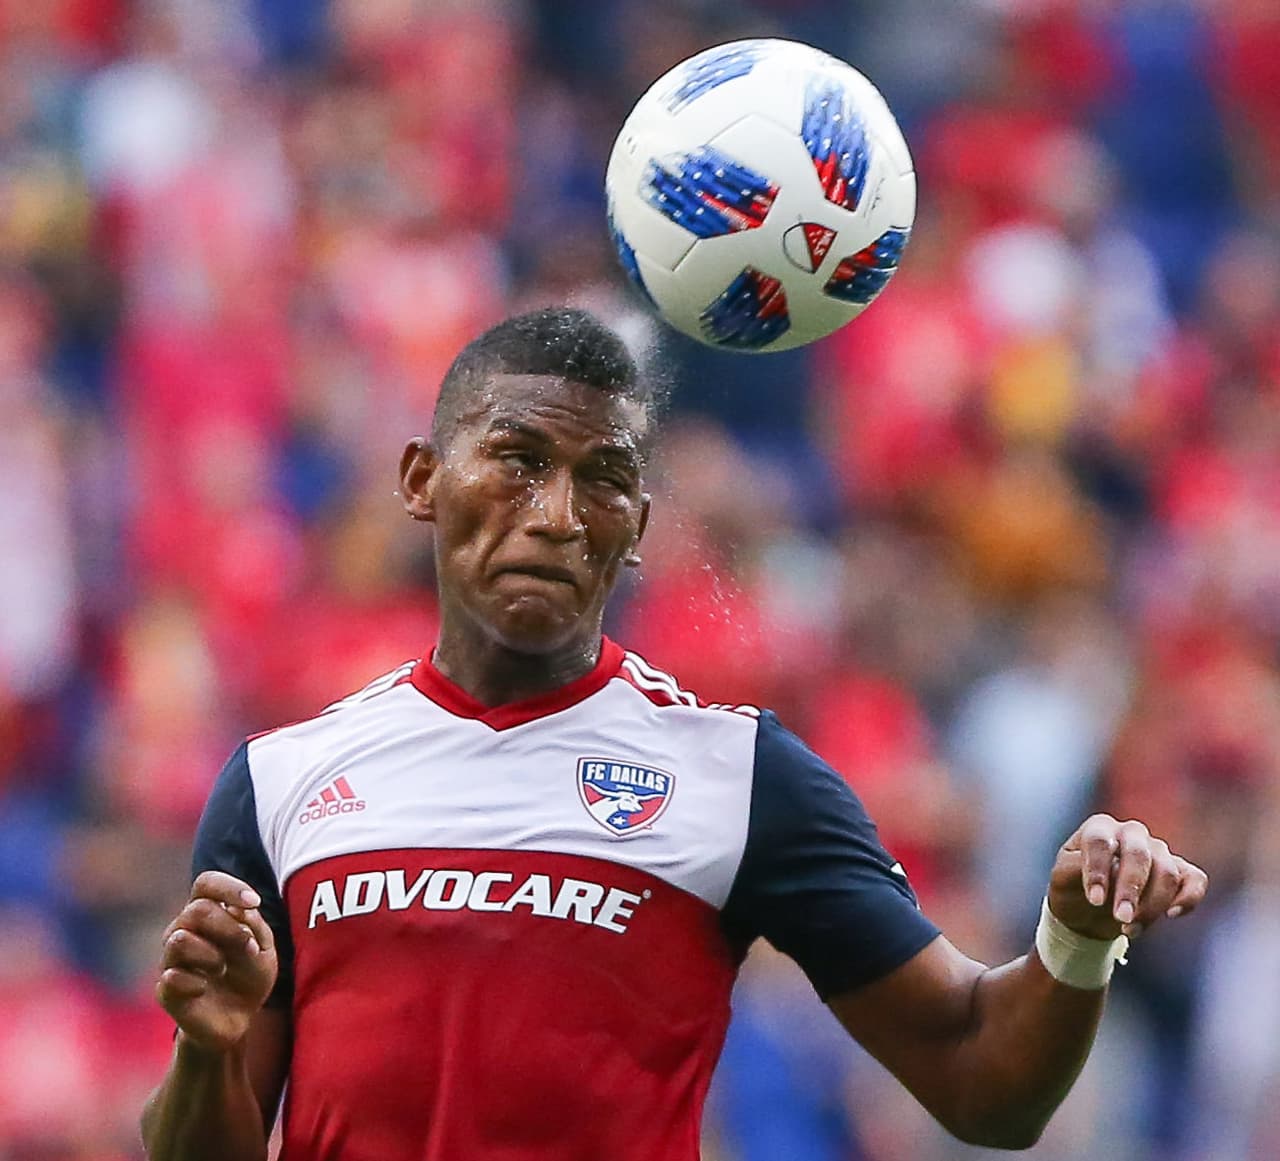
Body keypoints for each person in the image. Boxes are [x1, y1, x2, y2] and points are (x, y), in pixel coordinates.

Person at [141, 307, 1208, 1161]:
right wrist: (205, 1050)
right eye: (515, 459)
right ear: (422, 481)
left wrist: (1074, 936)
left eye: (601, 480)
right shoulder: (282, 784)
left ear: (637, 528)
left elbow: (983, 1084)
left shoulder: (735, 776)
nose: (556, 513)